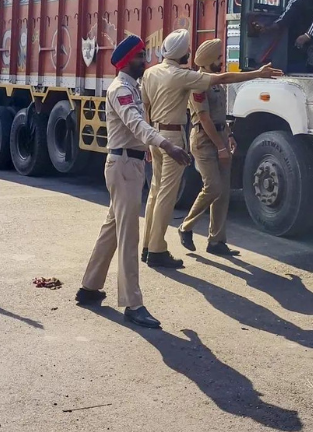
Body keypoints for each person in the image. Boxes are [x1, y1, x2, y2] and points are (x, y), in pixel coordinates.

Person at [76, 35, 192, 329]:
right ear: (128, 61)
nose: (145, 61)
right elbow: (136, 123)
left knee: (112, 229)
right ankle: (133, 304)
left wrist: (147, 148)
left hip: (129, 163)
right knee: (129, 238)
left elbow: (137, 128)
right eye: (140, 57)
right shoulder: (121, 90)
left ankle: (89, 287)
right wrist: (167, 145)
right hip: (124, 166)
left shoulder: (132, 87)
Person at [141, 29, 280, 268]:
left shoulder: (150, 73)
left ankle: (147, 246)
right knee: (167, 195)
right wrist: (258, 74)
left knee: (155, 193)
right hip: (173, 138)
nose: (189, 53)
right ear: (181, 52)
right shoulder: (182, 76)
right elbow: (223, 79)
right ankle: (157, 249)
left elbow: (146, 108)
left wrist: (147, 140)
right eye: (187, 49)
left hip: (155, 134)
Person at [176, 39, 240, 256]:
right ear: (209, 60)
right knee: (213, 187)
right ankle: (186, 227)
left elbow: (220, 115)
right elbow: (204, 118)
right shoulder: (198, 83)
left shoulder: (216, 83)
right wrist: (220, 147)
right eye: (219, 58)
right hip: (204, 140)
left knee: (223, 192)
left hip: (220, 136)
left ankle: (217, 241)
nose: (222, 61)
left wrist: (229, 136)